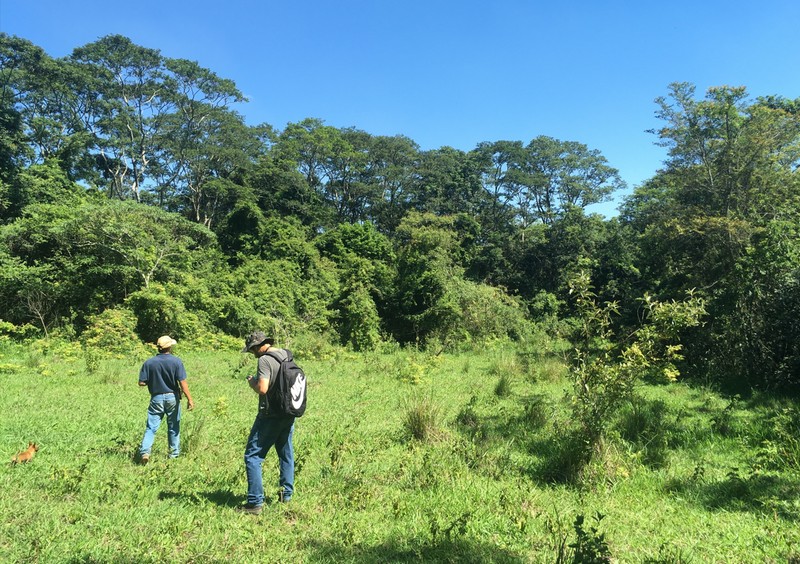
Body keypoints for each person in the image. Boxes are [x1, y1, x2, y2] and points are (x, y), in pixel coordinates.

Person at [237, 330, 296, 514]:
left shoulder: (264, 360)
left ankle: (255, 503)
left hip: (270, 415)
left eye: (252, 350)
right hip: (288, 412)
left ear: (257, 346)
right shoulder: (286, 354)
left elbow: (263, 388)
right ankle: (286, 495)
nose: (253, 354)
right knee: (285, 453)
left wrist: (252, 382)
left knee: (252, 456)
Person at [137, 335, 194, 463]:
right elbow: (182, 382)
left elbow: (141, 383)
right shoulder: (176, 361)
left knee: (151, 427)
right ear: (169, 347)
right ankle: (173, 455)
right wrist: (189, 399)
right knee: (173, 426)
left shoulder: (149, 362)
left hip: (156, 398)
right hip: (172, 397)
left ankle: (145, 452)